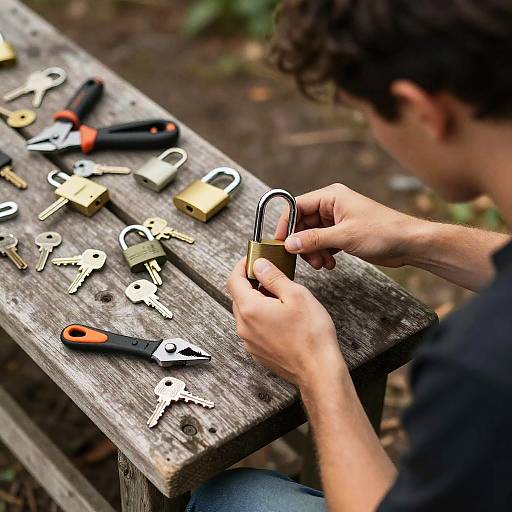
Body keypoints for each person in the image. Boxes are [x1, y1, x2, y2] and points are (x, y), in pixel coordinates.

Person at [186, 1, 512, 511]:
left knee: (229, 498)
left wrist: (316, 369)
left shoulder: (478, 368)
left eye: (364, 114)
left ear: (423, 111)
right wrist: (413, 237)